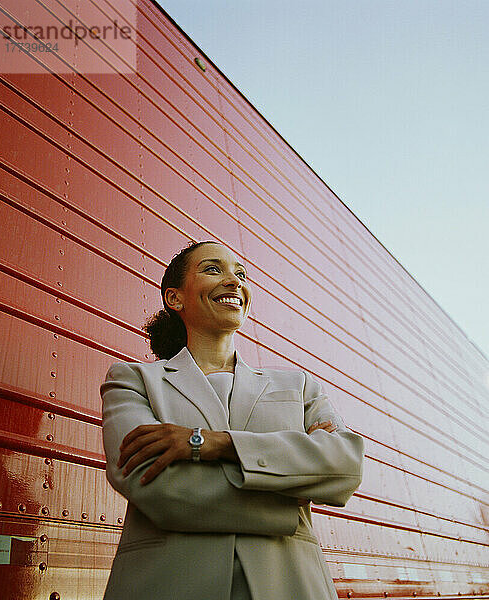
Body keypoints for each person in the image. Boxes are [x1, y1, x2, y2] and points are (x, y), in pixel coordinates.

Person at [100, 240, 365, 600]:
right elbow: (156, 487)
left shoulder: (298, 385)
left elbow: (345, 467)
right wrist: (290, 495)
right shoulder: (133, 381)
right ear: (174, 298)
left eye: (240, 274)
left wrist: (214, 443)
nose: (234, 281)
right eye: (213, 269)